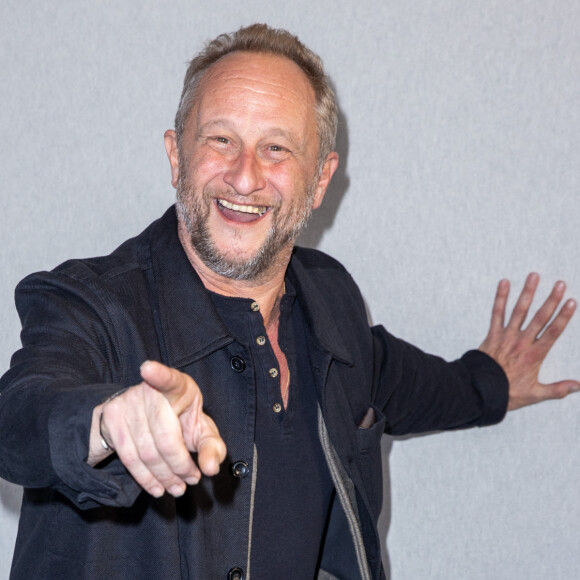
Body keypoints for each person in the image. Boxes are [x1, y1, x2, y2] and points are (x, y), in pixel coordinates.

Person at [0, 23, 577, 580]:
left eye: (276, 148)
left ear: (320, 180)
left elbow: (393, 380)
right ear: (177, 156)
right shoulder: (88, 303)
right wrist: (108, 422)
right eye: (220, 139)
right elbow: (19, 416)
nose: (245, 176)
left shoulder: (330, 300)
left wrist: (492, 382)